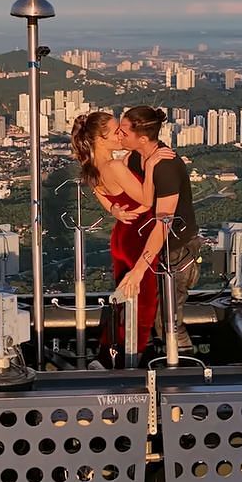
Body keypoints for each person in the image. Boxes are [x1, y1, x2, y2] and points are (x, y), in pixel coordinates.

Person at [70, 110, 166, 358]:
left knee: (122, 301)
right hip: (138, 236)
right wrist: (154, 166)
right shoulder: (113, 166)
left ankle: (106, 353)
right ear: (101, 139)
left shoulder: (93, 166)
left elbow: (101, 195)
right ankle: (132, 359)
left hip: (122, 236)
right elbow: (147, 198)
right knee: (143, 305)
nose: (121, 134)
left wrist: (114, 209)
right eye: (116, 131)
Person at [115, 105, 198, 351]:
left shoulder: (166, 165)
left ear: (142, 138)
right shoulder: (133, 158)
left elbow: (164, 223)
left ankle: (182, 371)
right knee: (143, 314)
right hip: (148, 245)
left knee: (168, 319)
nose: (119, 135)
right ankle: (147, 367)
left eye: (124, 132)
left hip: (175, 248)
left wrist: (139, 269)